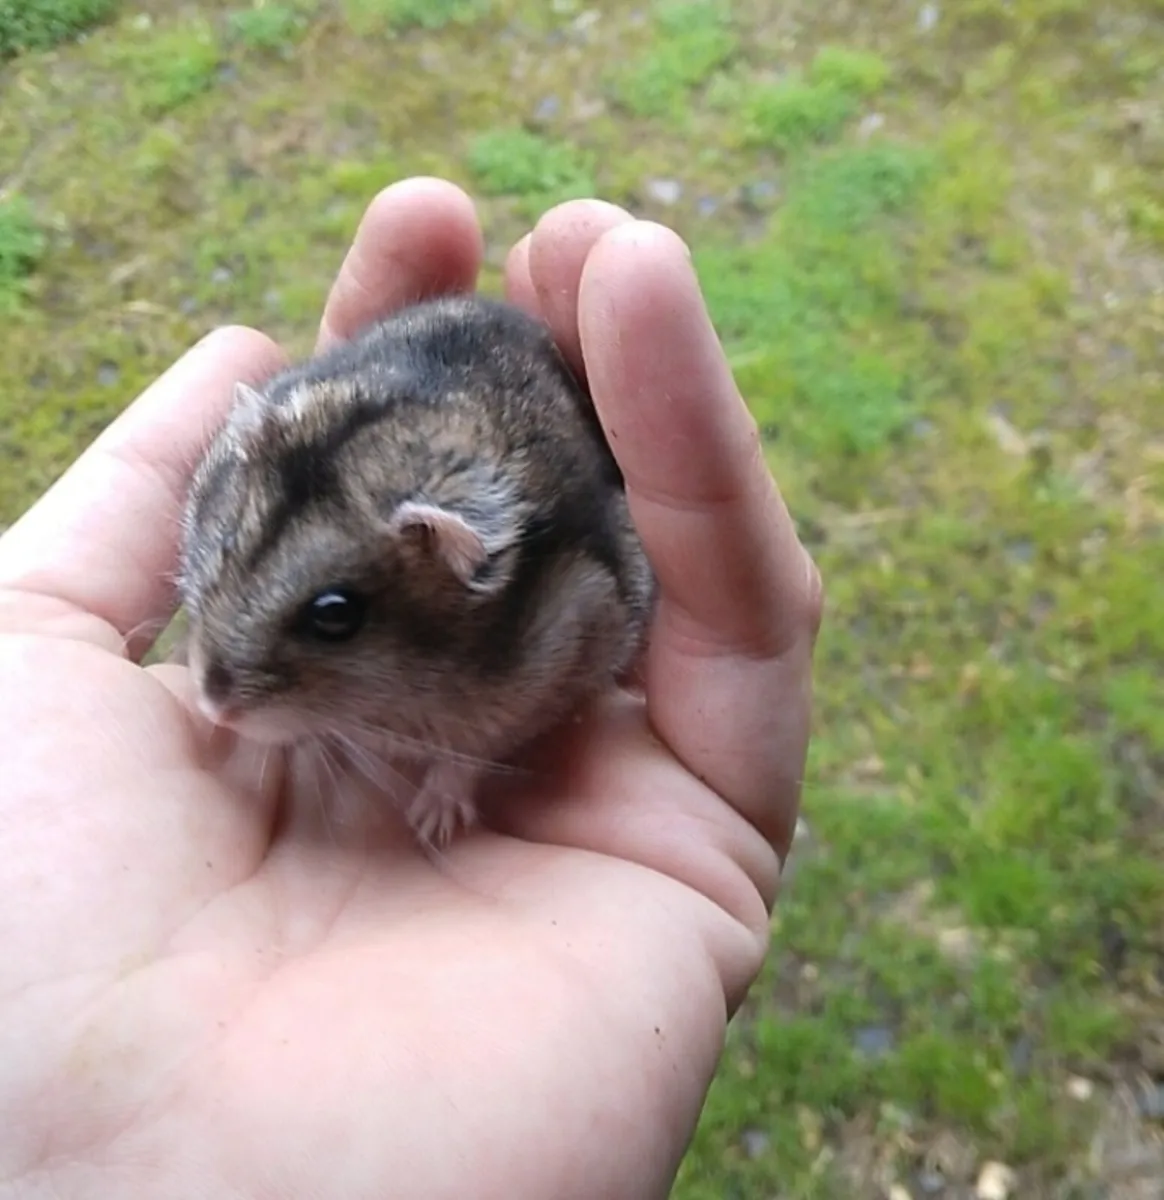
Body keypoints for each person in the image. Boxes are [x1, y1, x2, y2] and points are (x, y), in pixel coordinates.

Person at [0, 178, 822, 1199]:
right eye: (223, 569)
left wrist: (448, 767)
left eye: (332, 620)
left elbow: (598, 610)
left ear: (449, 568)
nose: (217, 692)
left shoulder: (502, 611)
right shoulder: (263, 461)